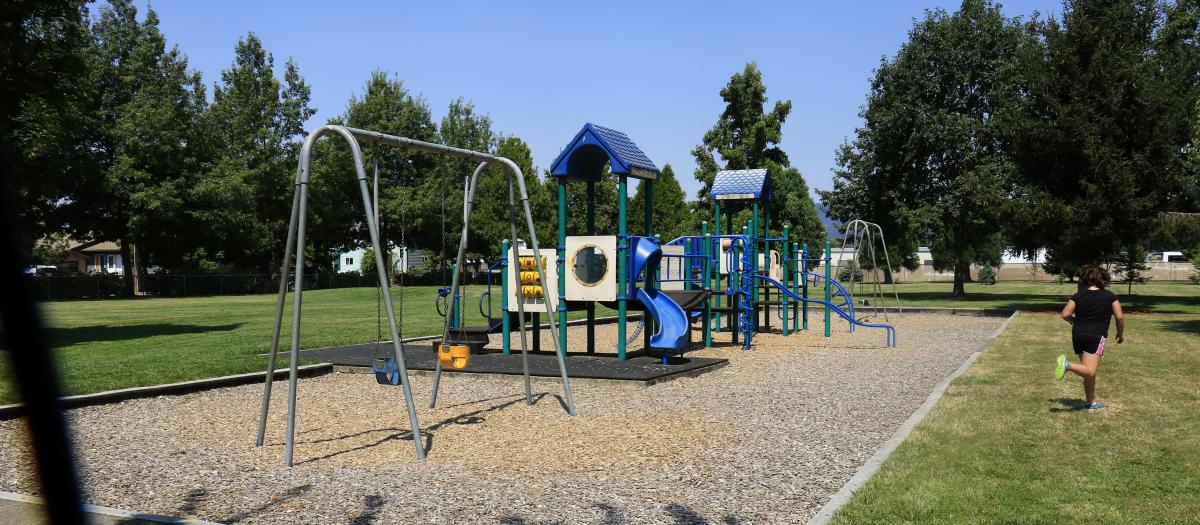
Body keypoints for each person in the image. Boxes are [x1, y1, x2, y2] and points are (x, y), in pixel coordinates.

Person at [1054, 265, 1124, 410]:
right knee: (1090, 371)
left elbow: (1065, 314)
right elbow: (1119, 317)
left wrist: (1074, 322)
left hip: (1078, 334)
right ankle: (1067, 365)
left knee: (1087, 371)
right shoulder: (1110, 296)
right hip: (1095, 335)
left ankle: (1091, 402)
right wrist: (1120, 333)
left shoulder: (1077, 296)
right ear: (1102, 279)